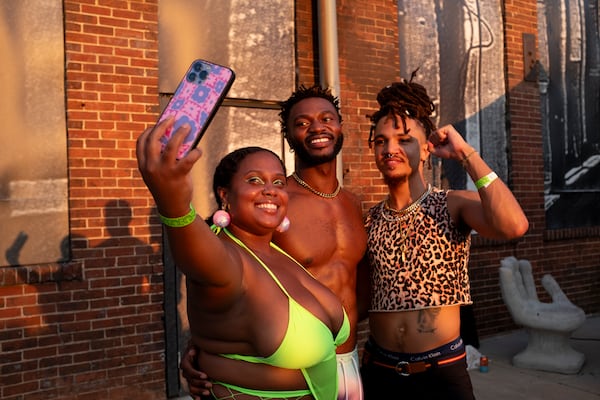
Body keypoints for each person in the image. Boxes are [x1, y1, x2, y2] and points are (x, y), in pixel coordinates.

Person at [137, 117, 350, 399]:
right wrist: (173, 202)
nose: (271, 189)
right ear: (225, 195)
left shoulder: (276, 251)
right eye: (254, 180)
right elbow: (199, 258)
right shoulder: (227, 258)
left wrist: (201, 344)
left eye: (278, 181)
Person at [181, 85, 368, 400]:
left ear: (339, 126)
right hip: (287, 370)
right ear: (289, 136)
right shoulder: (272, 204)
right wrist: (199, 346)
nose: (317, 128)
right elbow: (216, 275)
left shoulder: (354, 202)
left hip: (348, 360)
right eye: (302, 122)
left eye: (326, 118)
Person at [359, 73, 529, 399]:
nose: (390, 148)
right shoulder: (370, 220)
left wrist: (465, 153)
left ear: (426, 150)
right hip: (379, 371)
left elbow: (514, 226)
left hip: (440, 374)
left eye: (404, 139)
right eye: (381, 141)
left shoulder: (452, 205)